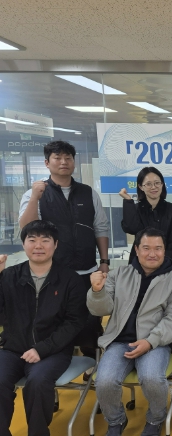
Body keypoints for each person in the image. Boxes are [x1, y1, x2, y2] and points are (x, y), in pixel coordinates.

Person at [87, 228, 172, 436]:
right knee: (104, 381)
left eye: (158, 248)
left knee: (151, 378)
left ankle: (155, 419)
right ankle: (116, 421)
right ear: (136, 249)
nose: (152, 253)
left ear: (164, 250)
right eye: (146, 248)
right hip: (119, 342)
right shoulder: (119, 274)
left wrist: (150, 342)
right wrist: (96, 291)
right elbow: (99, 310)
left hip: (155, 343)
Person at [0, 220, 87, 436]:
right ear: (24, 244)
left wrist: (42, 349)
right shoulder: (9, 276)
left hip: (54, 350)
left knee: (38, 381)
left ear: (55, 245)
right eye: (32, 239)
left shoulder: (70, 279)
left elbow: (74, 322)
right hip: (14, 348)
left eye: (45, 240)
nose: (38, 245)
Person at [18, 140, 110, 359]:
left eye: (68, 158)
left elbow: (101, 227)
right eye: (57, 158)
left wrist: (104, 261)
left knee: (89, 322)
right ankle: (56, 361)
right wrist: (35, 197)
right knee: (54, 321)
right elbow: (27, 228)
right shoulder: (35, 193)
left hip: (87, 271)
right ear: (47, 163)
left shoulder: (88, 193)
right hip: (53, 274)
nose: (63, 162)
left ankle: (91, 361)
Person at [119, 167, 172, 273]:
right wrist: (128, 201)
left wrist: (161, 265)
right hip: (140, 267)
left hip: (168, 267)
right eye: (148, 184)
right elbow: (131, 227)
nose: (153, 187)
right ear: (141, 187)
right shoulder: (136, 209)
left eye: (157, 183)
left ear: (162, 184)